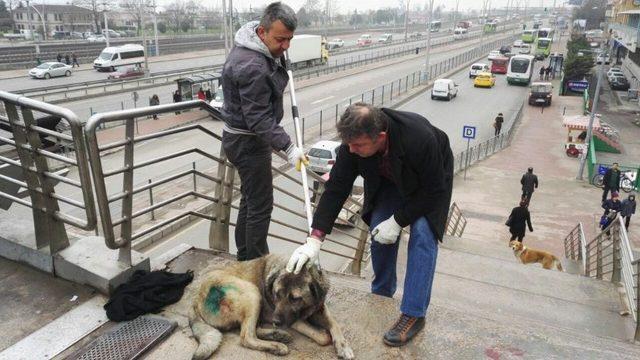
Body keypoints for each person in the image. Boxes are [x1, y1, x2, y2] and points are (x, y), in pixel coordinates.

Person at [287, 102, 453, 347]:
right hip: (387, 179)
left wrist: (398, 221)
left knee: (423, 235)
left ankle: (414, 313)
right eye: (349, 145)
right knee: (378, 230)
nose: (351, 151)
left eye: (358, 145)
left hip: (426, 185)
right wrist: (315, 239)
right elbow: (336, 189)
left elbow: (433, 191)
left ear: (381, 137)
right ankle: (382, 292)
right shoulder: (353, 145)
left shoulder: (419, 139)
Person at [220, 2, 307, 261]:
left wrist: (277, 54)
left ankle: (245, 255)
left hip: (241, 139)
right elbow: (258, 118)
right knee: (261, 205)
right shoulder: (253, 67)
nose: (286, 46)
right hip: (248, 143)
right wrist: (289, 148)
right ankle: (257, 263)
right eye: (281, 39)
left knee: (250, 199)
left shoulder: (253, 46)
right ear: (262, 32)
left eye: (290, 39)